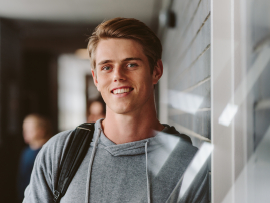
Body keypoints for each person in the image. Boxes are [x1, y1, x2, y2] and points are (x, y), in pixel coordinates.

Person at [23, 18, 208, 203]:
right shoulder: (59, 152)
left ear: (156, 71)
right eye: (106, 67)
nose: (118, 76)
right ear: (96, 78)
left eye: (131, 64)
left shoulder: (189, 165)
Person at [17, 114, 52, 202]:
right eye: (24, 129)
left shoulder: (48, 151)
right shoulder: (26, 151)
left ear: (41, 131)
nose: (25, 132)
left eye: (30, 130)